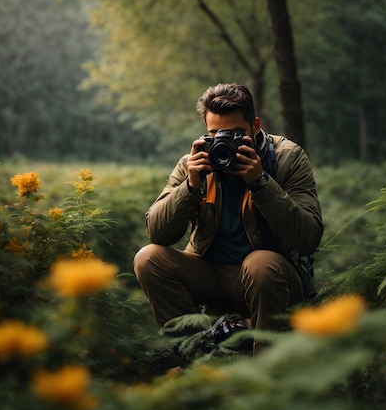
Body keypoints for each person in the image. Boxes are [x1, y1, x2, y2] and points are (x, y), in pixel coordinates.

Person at [133, 82, 323, 333]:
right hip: (210, 274)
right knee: (147, 258)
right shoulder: (196, 161)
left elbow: (308, 238)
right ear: (206, 132)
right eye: (215, 135)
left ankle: (265, 366)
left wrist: (261, 183)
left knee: (260, 263)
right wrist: (191, 187)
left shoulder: (287, 157)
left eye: (235, 134)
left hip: (271, 277)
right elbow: (157, 233)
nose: (225, 144)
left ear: (255, 126)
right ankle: (192, 356)